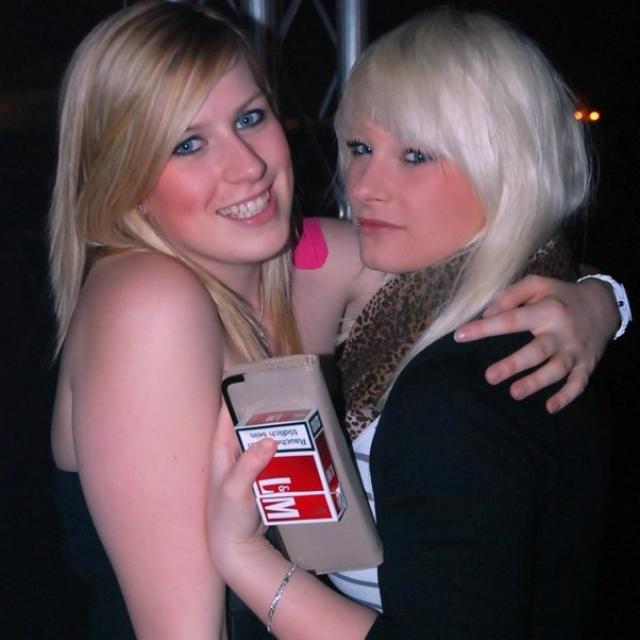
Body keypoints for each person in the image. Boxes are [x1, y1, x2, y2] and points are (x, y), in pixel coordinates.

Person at [48, 1, 622, 638]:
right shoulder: (147, 304)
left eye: (249, 118)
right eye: (188, 144)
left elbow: (486, 255)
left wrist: (601, 301)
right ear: (123, 177)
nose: (247, 166)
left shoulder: (309, 261)